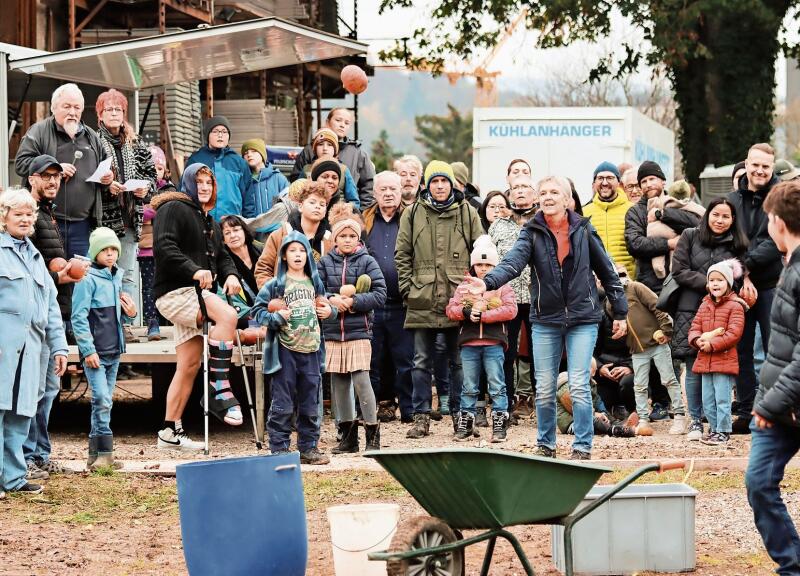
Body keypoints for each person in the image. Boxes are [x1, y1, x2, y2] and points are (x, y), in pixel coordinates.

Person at [467, 175, 628, 460]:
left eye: (555, 192)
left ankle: (582, 447)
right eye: (544, 192)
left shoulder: (584, 229)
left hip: (582, 318)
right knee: (543, 388)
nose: (549, 196)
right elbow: (512, 263)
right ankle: (546, 445)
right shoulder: (531, 232)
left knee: (578, 384)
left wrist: (621, 312)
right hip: (545, 319)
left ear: (568, 199)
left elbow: (607, 271)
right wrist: (488, 282)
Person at [153, 164, 244, 451]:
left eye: (209, 182)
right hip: (175, 292)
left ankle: (169, 430)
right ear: (188, 183)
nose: (204, 187)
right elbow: (164, 247)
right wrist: (194, 270)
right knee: (228, 315)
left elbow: (223, 257)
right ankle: (218, 390)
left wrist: (230, 275)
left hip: (194, 295)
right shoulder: (173, 208)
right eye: (199, 181)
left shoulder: (210, 222)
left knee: (189, 364)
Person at [395, 160, 483, 438]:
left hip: (458, 299)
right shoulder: (412, 213)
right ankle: (421, 417)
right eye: (435, 181)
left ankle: (460, 417)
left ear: (452, 184)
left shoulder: (467, 212)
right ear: (427, 185)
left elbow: (481, 252)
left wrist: (473, 292)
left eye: (444, 181)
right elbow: (402, 254)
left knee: (459, 362)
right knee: (421, 361)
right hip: (422, 297)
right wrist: (408, 289)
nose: (440, 186)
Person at [745, 180, 800, 575]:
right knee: (759, 483)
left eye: (767, 219)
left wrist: (769, 403)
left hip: (782, 403)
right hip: (780, 405)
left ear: (778, 222)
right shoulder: (789, 265)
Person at [0, 188, 68, 496]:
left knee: (21, 411)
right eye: (18, 214)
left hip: (33, 349)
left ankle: (13, 478)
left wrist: (59, 346)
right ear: (4, 218)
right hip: (3, 346)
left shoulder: (35, 255)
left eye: (30, 214)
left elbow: (51, 306)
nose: (26, 219)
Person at [23, 155, 85, 480]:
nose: (52, 182)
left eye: (56, 177)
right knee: (34, 391)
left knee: (48, 389)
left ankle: (40, 454)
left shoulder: (46, 213)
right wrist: (65, 276)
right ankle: (26, 459)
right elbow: (35, 271)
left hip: (54, 313)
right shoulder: (27, 215)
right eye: (45, 176)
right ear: (31, 178)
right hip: (35, 318)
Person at [251, 231, 334, 464]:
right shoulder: (275, 284)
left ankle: (308, 448)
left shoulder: (314, 282)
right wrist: (277, 318)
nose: (298, 255)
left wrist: (330, 311)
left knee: (310, 402)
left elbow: (327, 306)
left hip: (311, 350)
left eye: (302, 251)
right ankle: (279, 448)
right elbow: (257, 312)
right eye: (292, 250)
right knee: (283, 401)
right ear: (284, 256)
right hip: (285, 351)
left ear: (308, 255)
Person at [671, 198, 748, 440]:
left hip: (723, 308)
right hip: (691, 307)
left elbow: (741, 275)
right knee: (695, 368)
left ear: (733, 220)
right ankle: (695, 420)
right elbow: (679, 270)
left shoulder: (737, 244)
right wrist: (710, 283)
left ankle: (717, 425)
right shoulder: (690, 235)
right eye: (716, 214)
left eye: (726, 216)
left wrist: (720, 287)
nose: (720, 220)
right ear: (707, 215)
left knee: (719, 372)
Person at [14, 83, 113, 260]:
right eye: (66, 107)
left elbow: (105, 169)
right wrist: (55, 168)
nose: (72, 112)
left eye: (77, 108)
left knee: (77, 277)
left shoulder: (92, 137)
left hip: (82, 224)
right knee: (49, 272)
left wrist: (108, 178)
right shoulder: (39, 132)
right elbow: (21, 164)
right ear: (53, 108)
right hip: (46, 221)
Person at [318, 205, 387, 453]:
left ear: (358, 238)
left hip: (359, 331)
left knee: (361, 379)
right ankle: (348, 437)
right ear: (335, 238)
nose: (347, 240)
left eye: (352, 236)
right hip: (334, 332)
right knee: (338, 383)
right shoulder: (325, 262)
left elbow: (380, 294)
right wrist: (330, 299)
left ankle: (372, 432)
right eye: (342, 236)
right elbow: (317, 290)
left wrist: (353, 302)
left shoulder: (367, 261)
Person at [728, 143, 784, 433]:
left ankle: (778, 411)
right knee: (742, 351)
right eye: (756, 164)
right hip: (738, 288)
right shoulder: (730, 200)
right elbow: (723, 239)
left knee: (779, 350)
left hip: (772, 286)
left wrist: (744, 268)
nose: (760, 170)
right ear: (746, 164)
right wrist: (741, 276)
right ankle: (747, 410)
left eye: (766, 166)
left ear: (772, 167)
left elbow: (773, 243)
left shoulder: (782, 199)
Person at [72, 227, 137, 469]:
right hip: (96, 352)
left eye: (113, 250)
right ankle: (105, 453)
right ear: (94, 252)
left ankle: (96, 454)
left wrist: (131, 314)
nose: (110, 254)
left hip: (113, 350)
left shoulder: (117, 276)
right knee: (101, 398)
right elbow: (79, 317)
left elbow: (121, 314)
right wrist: (88, 350)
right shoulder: (87, 279)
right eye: (104, 250)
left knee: (104, 400)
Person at [446, 235, 517, 442]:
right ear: (473, 265)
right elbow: (451, 309)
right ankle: (466, 422)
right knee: (469, 385)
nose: (483, 268)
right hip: (469, 343)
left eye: (488, 264)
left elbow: (511, 310)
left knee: (496, 383)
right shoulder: (464, 287)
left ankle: (499, 422)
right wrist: (467, 312)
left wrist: (485, 315)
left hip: (494, 343)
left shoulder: (502, 286)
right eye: (479, 264)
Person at [95, 89, 157, 325]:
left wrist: (145, 189)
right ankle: (105, 324)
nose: (114, 113)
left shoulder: (137, 142)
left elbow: (152, 176)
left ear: (124, 114)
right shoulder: (93, 141)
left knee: (127, 274)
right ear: (100, 115)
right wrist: (106, 186)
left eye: (118, 109)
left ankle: (126, 324)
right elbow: (88, 178)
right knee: (103, 272)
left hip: (131, 217)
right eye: (108, 109)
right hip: (102, 220)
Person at [363, 171, 414, 423]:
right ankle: (369, 412)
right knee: (372, 361)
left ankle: (409, 410)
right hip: (372, 305)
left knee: (405, 360)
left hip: (402, 304)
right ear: (375, 193)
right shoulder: (365, 221)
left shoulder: (410, 218)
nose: (388, 193)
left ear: (400, 191)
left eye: (393, 189)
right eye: (383, 189)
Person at [615, 264, 687, 436]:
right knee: (639, 386)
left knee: (669, 379)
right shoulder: (612, 301)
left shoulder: (636, 288)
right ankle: (643, 420)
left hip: (657, 344)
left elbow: (657, 305)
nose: (619, 278)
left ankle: (679, 416)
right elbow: (616, 321)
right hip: (637, 350)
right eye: (615, 275)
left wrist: (666, 329)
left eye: (622, 273)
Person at [489, 176, 536, 420]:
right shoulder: (498, 226)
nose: (520, 191)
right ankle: (504, 406)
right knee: (506, 352)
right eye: (515, 188)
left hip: (537, 297)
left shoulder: (542, 222)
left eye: (525, 187)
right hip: (508, 299)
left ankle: (543, 404)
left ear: (534, 194)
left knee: (540, 353)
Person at [687, 259, 747, 446]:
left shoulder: (735, 306)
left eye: (720, 280)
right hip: (705, 360)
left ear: (728, 283)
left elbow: (733, 334)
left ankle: (723, 431)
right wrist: (697, 341)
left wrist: (712, 345)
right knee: (708, 399)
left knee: (722, 398)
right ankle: (714, 429)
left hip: (724, 360)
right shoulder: (704, 305)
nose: (715, 284)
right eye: (712, 280)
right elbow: (694, 328)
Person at [625, 160, 702, 294]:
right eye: (643, 181)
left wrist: (661, 214)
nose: (648, 184)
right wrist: (669, 243)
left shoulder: (679, 202)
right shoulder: (635, 212)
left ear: (663, 181)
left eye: (652, 179)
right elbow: (635, 244)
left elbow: (696, 224)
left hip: (682, 281)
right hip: (650, 285)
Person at [291, 108, 375, 208]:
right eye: (338, 120)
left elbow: (368, 187)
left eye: (347, 123)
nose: (342, 125)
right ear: (327, 122)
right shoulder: (308, 151)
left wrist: (360, 212)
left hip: (341, 213)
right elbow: (296, 185)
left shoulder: (358, 153)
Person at [254, 181, 334, 287]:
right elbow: (263, 269)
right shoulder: (280, 235)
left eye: (322, 204)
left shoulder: (331, 240)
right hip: (283, 300)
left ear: (325, 211)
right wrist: (275, 293)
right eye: (312, 202)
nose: (317, 207)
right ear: (300, 206)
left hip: (318, 300)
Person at [139, 146, 176, 341]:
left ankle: (167, 322)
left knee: (167, 287)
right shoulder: (140, 190)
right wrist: (152, 210)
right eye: (151, 168)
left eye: (159, 168)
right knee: (148, 287)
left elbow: (171, 210)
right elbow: (139, 212)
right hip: (145, 250)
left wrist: (149, 211)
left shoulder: (170, 189)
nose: (155, 172)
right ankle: (151, 321)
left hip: (166, 248)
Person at [186, 116, 251, 221]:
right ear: (208, 135)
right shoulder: (196, 160)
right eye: (215, 131)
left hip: (231, 225)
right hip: (202, 222)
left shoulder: (239, 163)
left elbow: (248, 199)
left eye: (224, 132)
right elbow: (185, 192)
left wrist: (247, 226)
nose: (220, 135)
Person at [556, 359, 636, 438]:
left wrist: (604, 413)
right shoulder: (565, 382)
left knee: (603, 417)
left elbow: (597, 401)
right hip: (571, 423)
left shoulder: (590, 383)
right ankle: (613, 430)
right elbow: (574, 405)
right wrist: (594, 414)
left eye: (594, 371)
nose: (594, 374)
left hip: (588, 417)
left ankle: (617, 424)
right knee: (596, 422)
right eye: (593, 371)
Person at [645, 180, 705, 279]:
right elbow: (700, 217)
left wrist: (658, 213)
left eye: (652, 179)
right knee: (677, 251)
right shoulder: (692, 206)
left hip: (656, 231)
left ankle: (659, 267)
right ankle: (673, 269)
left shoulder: (660, 202)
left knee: (660, 258)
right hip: (674, 236)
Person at [582, 161, 635, 274]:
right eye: (600, 178)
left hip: (629, 281)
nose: (604, 182)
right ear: (594, 183)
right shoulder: (584, 212)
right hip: (595, 282)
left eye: (610, 178)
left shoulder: (633, 210)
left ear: (619, 182)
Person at [295, 129, 360, 209]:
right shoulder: (306, 169)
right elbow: (296, 196)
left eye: (329, 144)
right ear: (315, 149)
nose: (325, 148)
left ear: (335, 149)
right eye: (320, 144)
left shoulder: (343, 170)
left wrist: (344, 208)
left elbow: (354, 201)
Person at [240, 138, 289, 233]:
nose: (249, 155)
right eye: (245, 153)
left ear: (262, 154)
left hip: (278, 233)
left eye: (254, 151)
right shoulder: (243, 180)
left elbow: (289, 206)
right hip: (252, 234)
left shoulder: (278, 178)